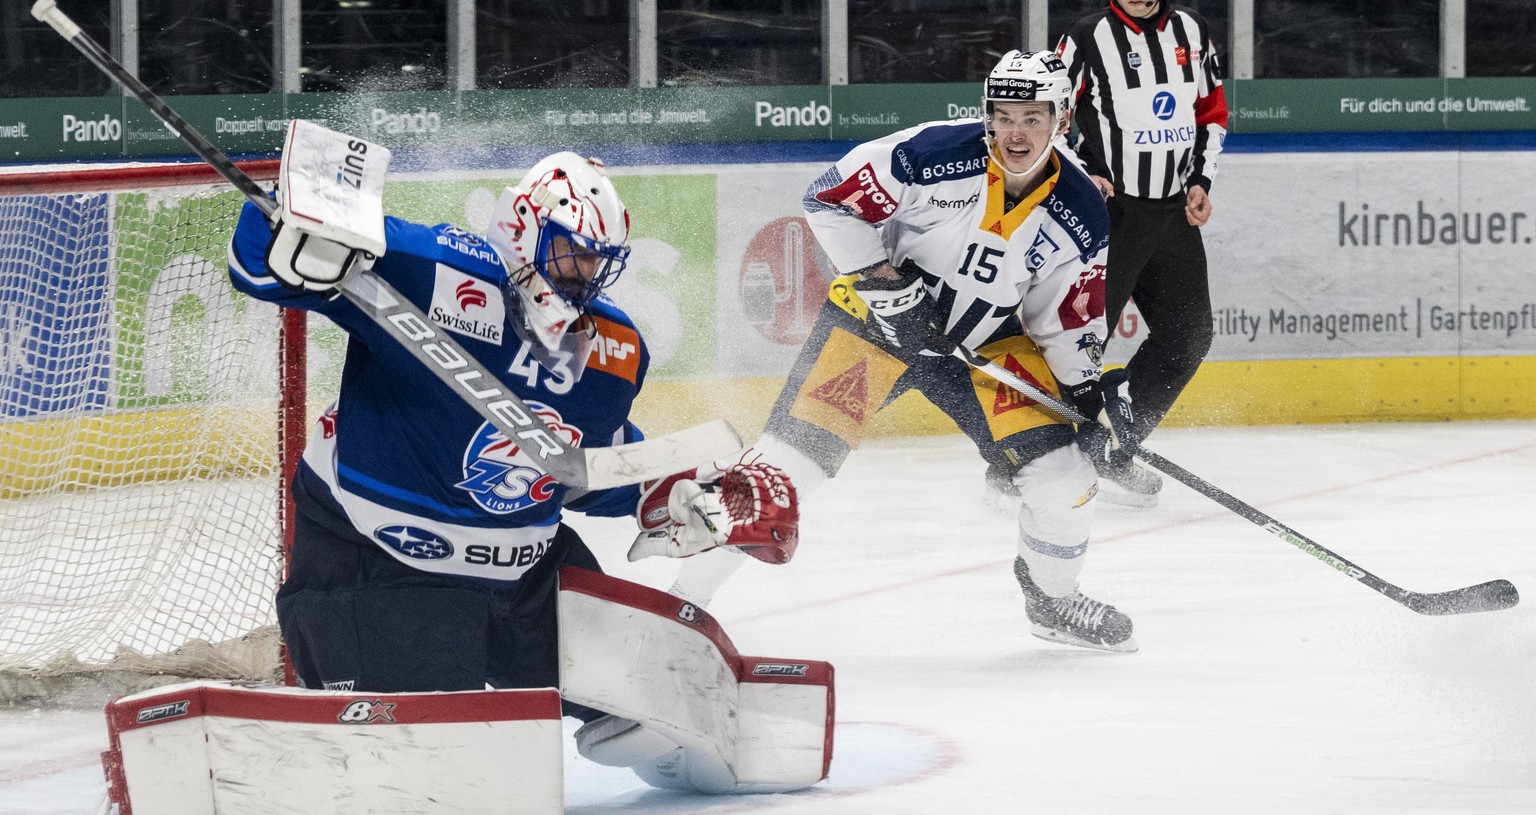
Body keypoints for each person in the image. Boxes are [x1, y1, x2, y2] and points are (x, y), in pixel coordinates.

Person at [227, 149, 796, 702]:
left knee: (641, 692)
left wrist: (673, 489)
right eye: (574, 252)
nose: (586, 274)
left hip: (525, 579)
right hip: (383, 567)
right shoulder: (436, 274)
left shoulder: (612, 351)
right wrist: (288, 225)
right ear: (527, 228)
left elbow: (580, 461)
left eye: (598, 260)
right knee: (435, 743)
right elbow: (255, 268)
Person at [671, 50, 1141, 653]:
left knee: (1063, 478)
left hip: (981, 346)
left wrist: (1084, 397)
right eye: (1002, 116)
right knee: (784, 473)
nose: (1015, 132)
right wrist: (891, 293)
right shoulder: (931, 154)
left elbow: (1062, 315)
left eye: (1032, 116)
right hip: (870, 330)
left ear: (1062, 120)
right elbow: (828, 199)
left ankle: (1052, 599)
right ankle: (680, 605)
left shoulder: (1080, 208)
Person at [1055, 0, 1229, 507]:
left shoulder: (1192, 30)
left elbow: (1210, 111)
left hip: (1173, 214)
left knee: (1188, 336)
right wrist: (1078, 174)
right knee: (1080, 345)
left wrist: (1201, 178)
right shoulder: (1087, 36)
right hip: (1108, 213)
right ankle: (1024, 463)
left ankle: (1114, 451)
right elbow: (1048, 114)